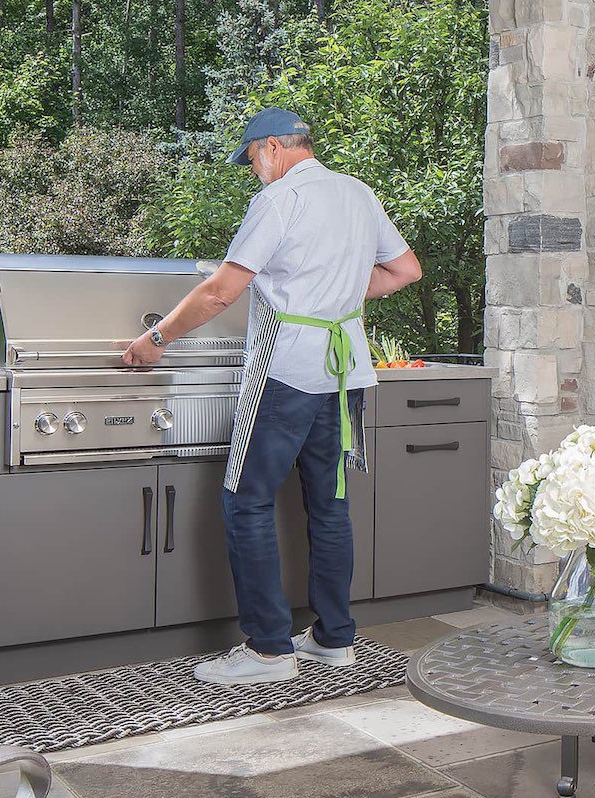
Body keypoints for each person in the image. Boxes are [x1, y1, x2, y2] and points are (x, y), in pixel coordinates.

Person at [123, 107, 422, 685]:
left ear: (271, 150)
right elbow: (405, 270)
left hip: (285, 370)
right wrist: (335, 293)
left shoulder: (280, 199)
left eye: (253, 161)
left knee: (247, 500)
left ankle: (267, 650)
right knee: (330, 504)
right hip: (344, 373)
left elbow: (220, 292)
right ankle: (333, 639)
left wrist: (154, 338)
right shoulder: (358, 194)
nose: (255, 173)